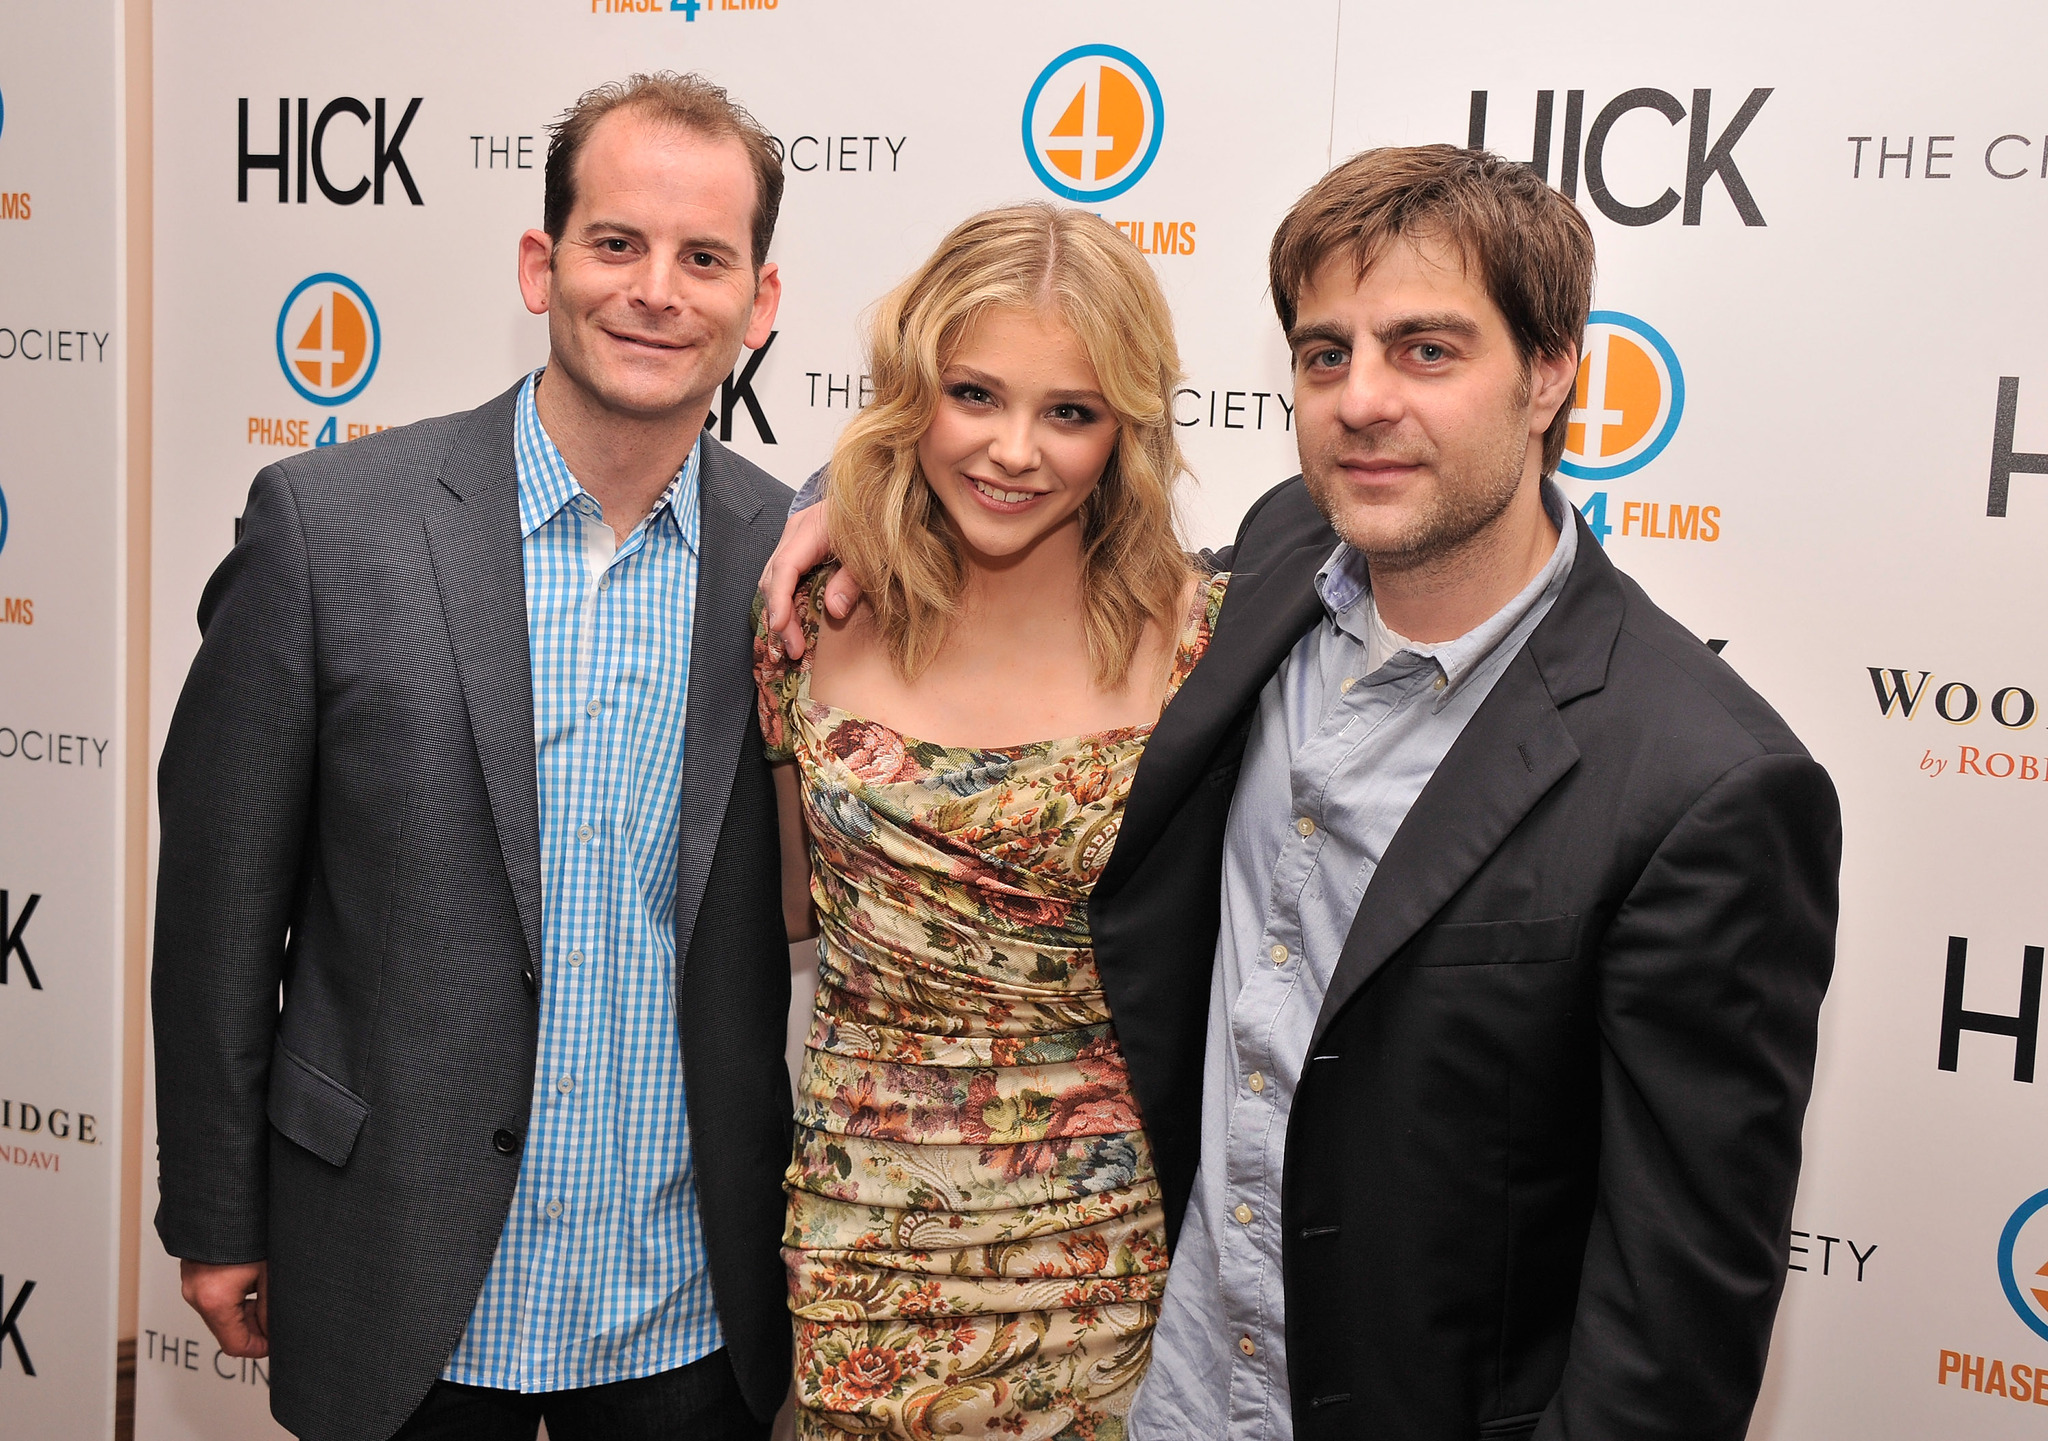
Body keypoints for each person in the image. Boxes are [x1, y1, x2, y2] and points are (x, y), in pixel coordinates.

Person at [760, 146, 1841, 1441]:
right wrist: (841, 502)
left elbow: (1672, 1333)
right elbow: (1010, 508)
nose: (1364, 400)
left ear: (1553, 371)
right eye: (1326, 354)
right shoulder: (1277, 565)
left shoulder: (1700, 782)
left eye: (1427, 350)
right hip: (1160, 1381)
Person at [154, 73, 796, 1441]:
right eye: (615, 243)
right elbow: (217, 911)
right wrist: (214, 1208)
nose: (655, 292)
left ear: (762, 301)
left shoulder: (799, 563)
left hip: (684, 1308)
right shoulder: (330, 531)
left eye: (704, 258)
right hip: (402, 1277)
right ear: (539, 261)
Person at [752, 203, 1225, 1441]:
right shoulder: (807, 618)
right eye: (973, 393)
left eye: (1069, 411)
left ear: (1123, 425)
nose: (1014, 450)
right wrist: (835, 502)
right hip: (859, 1233)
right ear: (913, 391)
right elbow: (779, 910)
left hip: (1105, 1253)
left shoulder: (1203, 643)